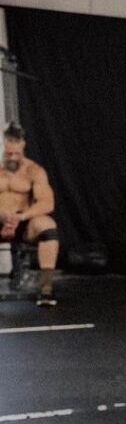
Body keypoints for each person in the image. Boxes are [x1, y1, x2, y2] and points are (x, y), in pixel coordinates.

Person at [1, 122, 60, 307]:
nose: (12, 157)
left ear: (23, 147)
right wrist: (4, 217)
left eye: (16, 154)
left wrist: (21, 217)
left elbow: (47, 202)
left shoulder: (34, 170)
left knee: (48, 226)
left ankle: (45, 290)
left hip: (22, 221)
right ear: (3, 147)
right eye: (9, 153)